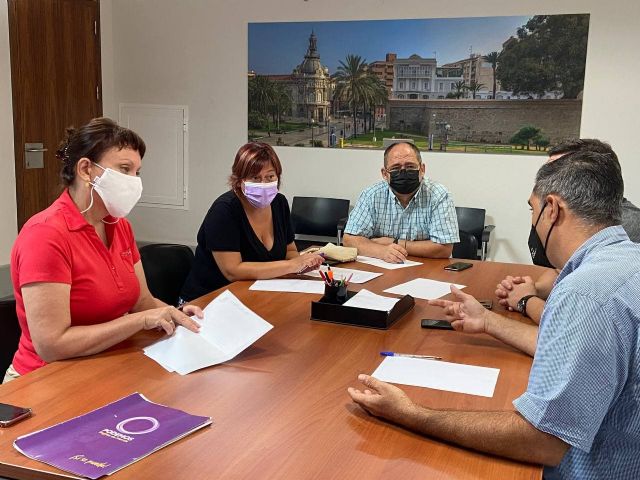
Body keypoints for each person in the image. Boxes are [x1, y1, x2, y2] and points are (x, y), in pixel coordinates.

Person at [348, 151, 640, 478]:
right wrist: (488, 320)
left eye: (532, 209)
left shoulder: (584, 292)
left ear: (553, 209)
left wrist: (411, 413)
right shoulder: (628, 260)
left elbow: (542, 439)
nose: (532, 221)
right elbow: (563, 347)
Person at [5, 118, 202, 384]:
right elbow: (51, 345)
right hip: (43, 380)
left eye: (137, 172)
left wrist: (174, 315)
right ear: (86, 169)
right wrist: (140, 321)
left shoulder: (119, 226)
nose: (134, 181)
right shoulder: (45, 235)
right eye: (124, 169)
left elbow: (142, 303)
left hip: (104, 365)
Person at [496, 139, 640, 324]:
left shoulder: (617, 226)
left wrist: (526, 301)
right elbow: (562, 270)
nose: (548, 179)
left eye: (560, 170)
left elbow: (575, 320)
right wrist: (533, 289)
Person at [180, 142, 323, 302]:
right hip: (207, 301)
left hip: (255, 294)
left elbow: (289, 251)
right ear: (239, 180)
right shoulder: (224, 210)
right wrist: (292, 265)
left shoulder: (279, 203)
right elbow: (233, 271)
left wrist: (303, 265)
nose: (263, 184)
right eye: (255, 178)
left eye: (270, 177)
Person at [342, 142, 459, 263]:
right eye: (395, 168)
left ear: (422, 169)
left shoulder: (439, 195)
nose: (403, 172)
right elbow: (349, 239)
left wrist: (395, 243)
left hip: (430, 268)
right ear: (384, 174)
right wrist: (381, 251)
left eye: (410, 166)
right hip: (384, 267)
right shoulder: (371, 195)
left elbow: (444, 248)